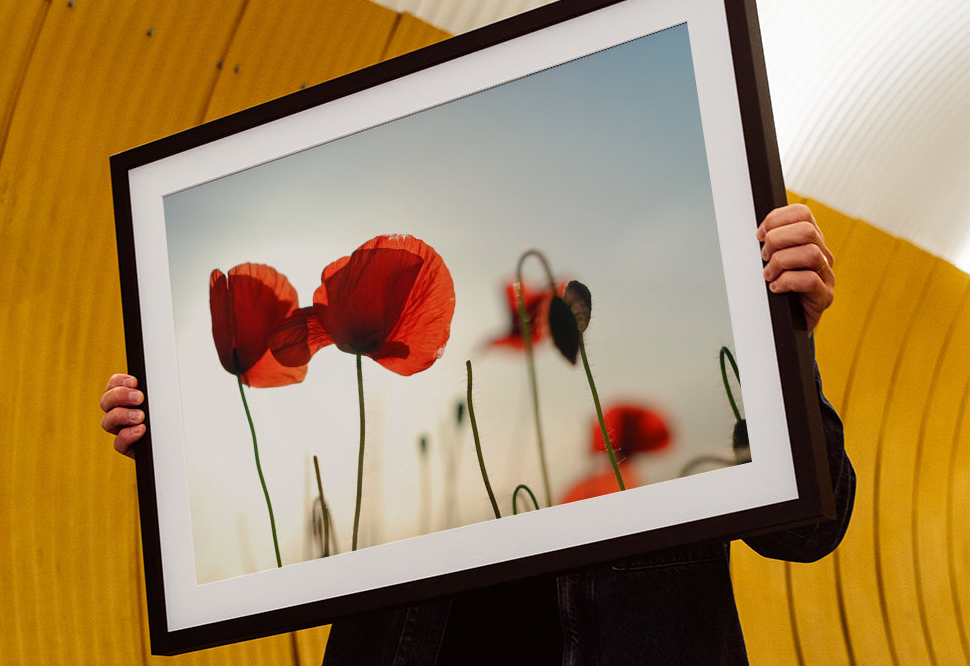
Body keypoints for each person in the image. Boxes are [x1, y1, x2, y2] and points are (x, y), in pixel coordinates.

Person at [101, 204, 855, 664]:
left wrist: (786, 336)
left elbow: (812, 530)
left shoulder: (692, 341)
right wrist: (175, 428)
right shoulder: (423, 440)